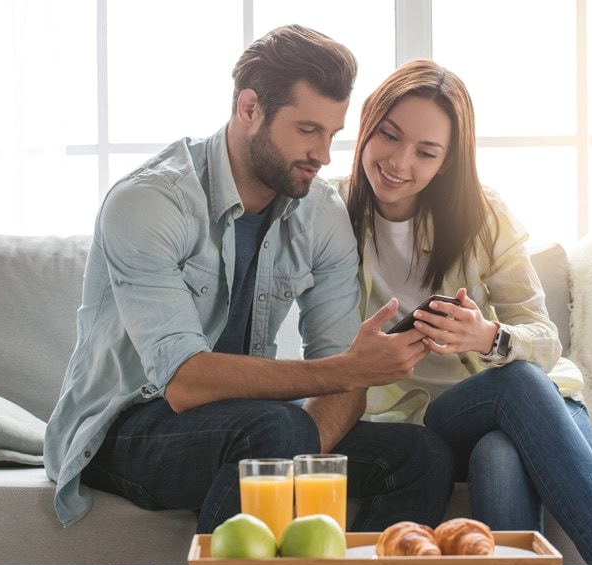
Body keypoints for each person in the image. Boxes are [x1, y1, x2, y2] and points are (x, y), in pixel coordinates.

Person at [44, 26, 454, 535]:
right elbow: (185, 382)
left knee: (423, 455)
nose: (324, 154)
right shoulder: (149, 203)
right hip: (127, 425)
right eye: (307, 130)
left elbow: (344, 378)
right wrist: (344, 374)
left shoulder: (320, 212)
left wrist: (296, 460)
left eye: (332, 134)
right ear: (249, 108)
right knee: (277, 427)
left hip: (251, 427)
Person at [334, 58, 592, 565]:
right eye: (389, 136)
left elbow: (544, 341)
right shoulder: (329, 212)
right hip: (433, 417)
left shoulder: (483, 215)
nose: (399, 161)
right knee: (511, 395)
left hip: (544, 408)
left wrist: (487, 337)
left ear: (446, 163)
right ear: (368, 124)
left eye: (426, 152)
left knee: (502, 447)